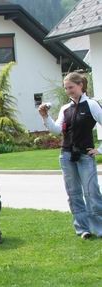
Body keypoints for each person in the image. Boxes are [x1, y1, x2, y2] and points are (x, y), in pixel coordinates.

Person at [38, 72, 102, 239]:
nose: (68, 91)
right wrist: (45, 117)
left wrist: (100, 150)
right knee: (73, 194)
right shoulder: (65, 109)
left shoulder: (92, 105)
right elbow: (57, 130)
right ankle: (83, 229)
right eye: (66, 88)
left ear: (81, 85)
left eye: (71, 87)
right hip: (66, 156)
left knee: (91, 192)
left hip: (85, 155)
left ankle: (99, 228)